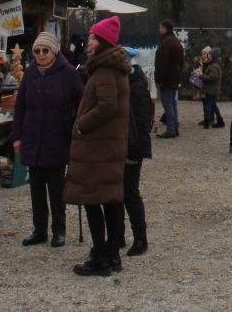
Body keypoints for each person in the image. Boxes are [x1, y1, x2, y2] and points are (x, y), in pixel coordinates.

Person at [64, 16, 131, 277]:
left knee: (92, 199)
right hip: (108, 145)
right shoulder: (113, 68)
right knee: (110, 201)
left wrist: (81, 124)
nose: (88, 41)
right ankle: (112, 254)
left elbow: (106, 105)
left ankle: (101, 257)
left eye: (93, 37)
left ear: (102, 41)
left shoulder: (103, 70)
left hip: (98, 146)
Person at [12, 30, 84, 248]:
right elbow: (20, 107)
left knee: (56, 188)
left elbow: (82, 101)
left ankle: (59, 230)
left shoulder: (67, 72)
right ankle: (39, 229)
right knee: (36, 189)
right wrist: (17, 136)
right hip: (33, 136)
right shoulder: (30, 73)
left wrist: (75, 125)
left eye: (45, 51)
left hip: (56, 137)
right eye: (37, 51)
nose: (41, 55)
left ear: (53, 52)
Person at [117, 46, 153, 257]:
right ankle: (118, 234)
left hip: (132, 147)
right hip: (119, 146)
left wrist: (134, 150)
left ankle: (140, 238)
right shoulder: (122, 83)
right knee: (116, 194)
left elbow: (141, 123)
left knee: (130, 193)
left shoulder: (137, 87)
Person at [154, 20, 184, 138]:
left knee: (168, 104)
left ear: (165, 28)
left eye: (160, 27)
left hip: (167, 79)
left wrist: (159, 79)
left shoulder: (166, 43)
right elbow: (181, 62)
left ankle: (171, 129)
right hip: (174, 77)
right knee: (172, 103)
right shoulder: (176, 42)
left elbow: (162, 64)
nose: (159, 29)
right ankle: (174, 128)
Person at [196, 47, 223, 130]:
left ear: (213, 57)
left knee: (207, 106)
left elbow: (212, 78)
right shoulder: (213, 65)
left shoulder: (214, 66)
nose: (208, 57)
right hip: (211, 89)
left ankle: (207, 122)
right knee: (213, 105)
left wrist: (201, 75)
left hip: (210, 90)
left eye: (210, 55)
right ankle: (219, 121)